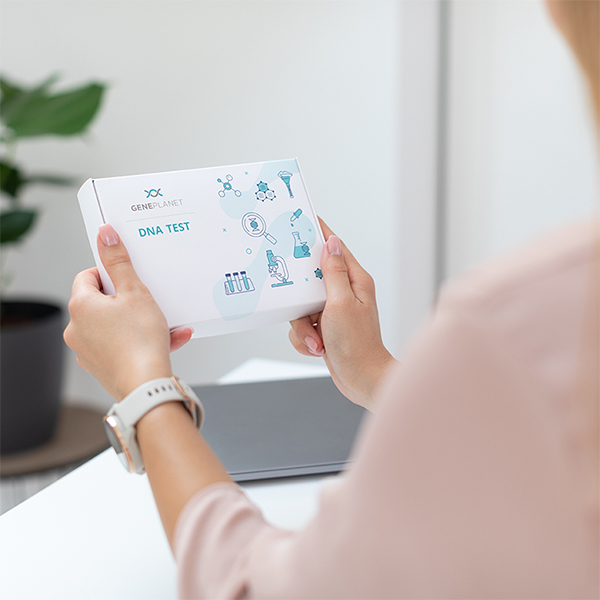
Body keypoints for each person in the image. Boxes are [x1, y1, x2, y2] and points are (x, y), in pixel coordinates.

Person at [64, 1, 599, 597]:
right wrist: (372, 370)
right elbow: (537, 465)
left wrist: (144, 388)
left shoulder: (514, 321)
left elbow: (252, 587)